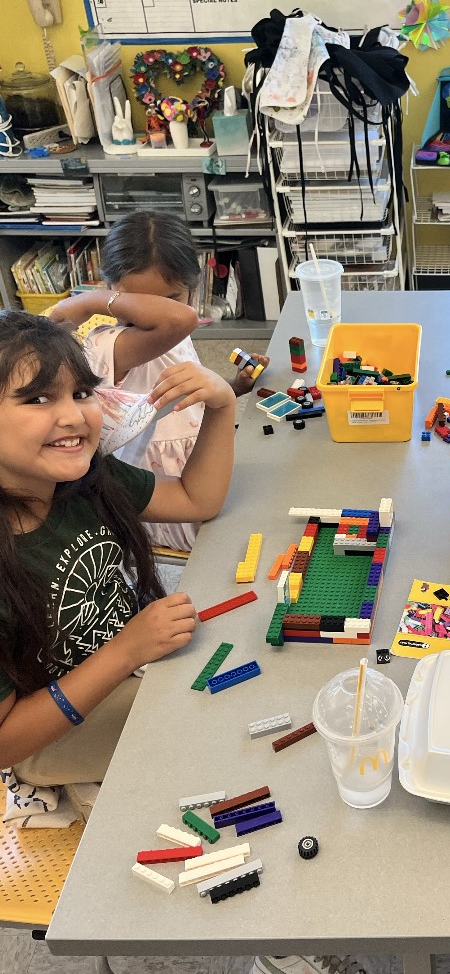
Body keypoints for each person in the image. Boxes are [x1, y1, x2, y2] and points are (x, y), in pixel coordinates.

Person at [0, 311, 237, 808]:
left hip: (138, 662)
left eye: (81, 393)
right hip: (57, 738)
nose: (74, 416)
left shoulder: (83, 480)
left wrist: (221, 406)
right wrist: (126, 651)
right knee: (234, 732)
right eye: (38, 399)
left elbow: (198, 499)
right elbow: (6, 744)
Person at [49, 210, 268, 551]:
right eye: (138, 302)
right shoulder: (108, 345)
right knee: (245, 540)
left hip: (203, 456)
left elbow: (180, 393)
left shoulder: (169, 331)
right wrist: (87, 301)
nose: (155, 313)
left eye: (170, 299)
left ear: (192, 289)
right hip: (170, 492)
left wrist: (232, 386)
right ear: (112, 293)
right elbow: (181, 319)